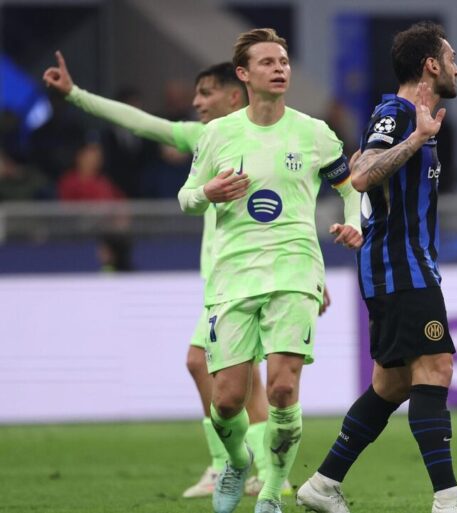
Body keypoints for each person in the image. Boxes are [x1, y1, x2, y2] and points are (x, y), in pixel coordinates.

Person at [43, 53, 305, 498]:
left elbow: (294, 212)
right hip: (227, 282)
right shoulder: (209, 138)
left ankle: (231, 466)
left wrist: (309, 273)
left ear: (234, 95)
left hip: (256, 279)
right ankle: (257, 470)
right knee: (242, 379)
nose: (197, 102)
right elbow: (143, 123)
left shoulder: (279, 138)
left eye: (205, 93)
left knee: (204, 363)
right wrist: (76, 95)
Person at [296, 21, 457, 513]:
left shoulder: (412, 117)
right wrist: (417, 138)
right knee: (436, 366)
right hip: (401, 268)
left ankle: (323, 484)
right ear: (431, 65)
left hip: (398, 265)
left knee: (393, 384)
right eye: (451, 59)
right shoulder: (398, 114)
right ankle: (448, 499)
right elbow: (361, 174)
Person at [178, 28, 362, 513]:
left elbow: (349, 187)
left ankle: (273, 492)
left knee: (282, 387)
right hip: (234, 277)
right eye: (267, 62)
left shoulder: (313, 132)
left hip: (296, 270)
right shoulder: (218, 135)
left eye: (283, 61)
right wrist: (207, 194)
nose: (279, 68)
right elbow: (186, 197)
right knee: (226, 401)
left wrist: (353, 224)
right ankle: (238, 461)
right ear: (243, 74)